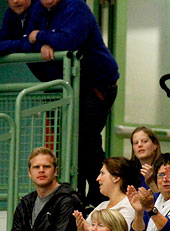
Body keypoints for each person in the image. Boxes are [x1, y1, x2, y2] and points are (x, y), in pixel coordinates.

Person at [22, 0, 119, 205]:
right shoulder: (38, 9)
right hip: (66, 86)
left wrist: (40, 36)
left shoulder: (76, 7)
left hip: (97, 84)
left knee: (85, 141)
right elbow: (24, 40)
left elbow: (68, 40)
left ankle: (99, 197)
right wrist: (44, 43)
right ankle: (74, 198)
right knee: (64, 145)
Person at [6, 147, 83, 231]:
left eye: (46, 166)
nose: (41, 170)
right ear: (30, 173)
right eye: (36, 167)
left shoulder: (67, 201)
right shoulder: (25, 203)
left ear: (55, 171)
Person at [73, 157, 140, 231]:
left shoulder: (129, 206)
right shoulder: (101, 206)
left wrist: (89, 228)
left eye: (102, 173)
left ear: (116, 177)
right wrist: (81, 229)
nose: (98, 178)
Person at [131, 126, 162, 191]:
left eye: (144, 141)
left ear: (155, 145)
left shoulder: (164, 169)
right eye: (136, 143)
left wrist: (151, 183)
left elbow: (166, 199)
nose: (139, 145)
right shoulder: (130, 172)